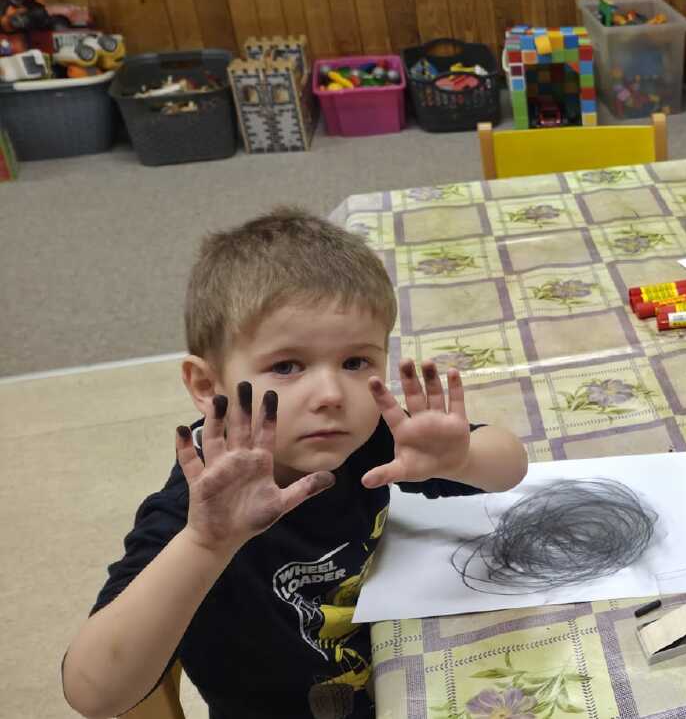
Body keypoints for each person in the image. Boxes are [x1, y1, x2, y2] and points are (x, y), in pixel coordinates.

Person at [61, 207, 529, 719]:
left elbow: (511, 468)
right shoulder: (199, 510)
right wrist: (206, 544)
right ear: (206, 385)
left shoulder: (361, 438)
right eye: (286, 366)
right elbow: (94, 694)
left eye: (355, 362)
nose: (331, 394)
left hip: (399, 666)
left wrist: (461, 458)